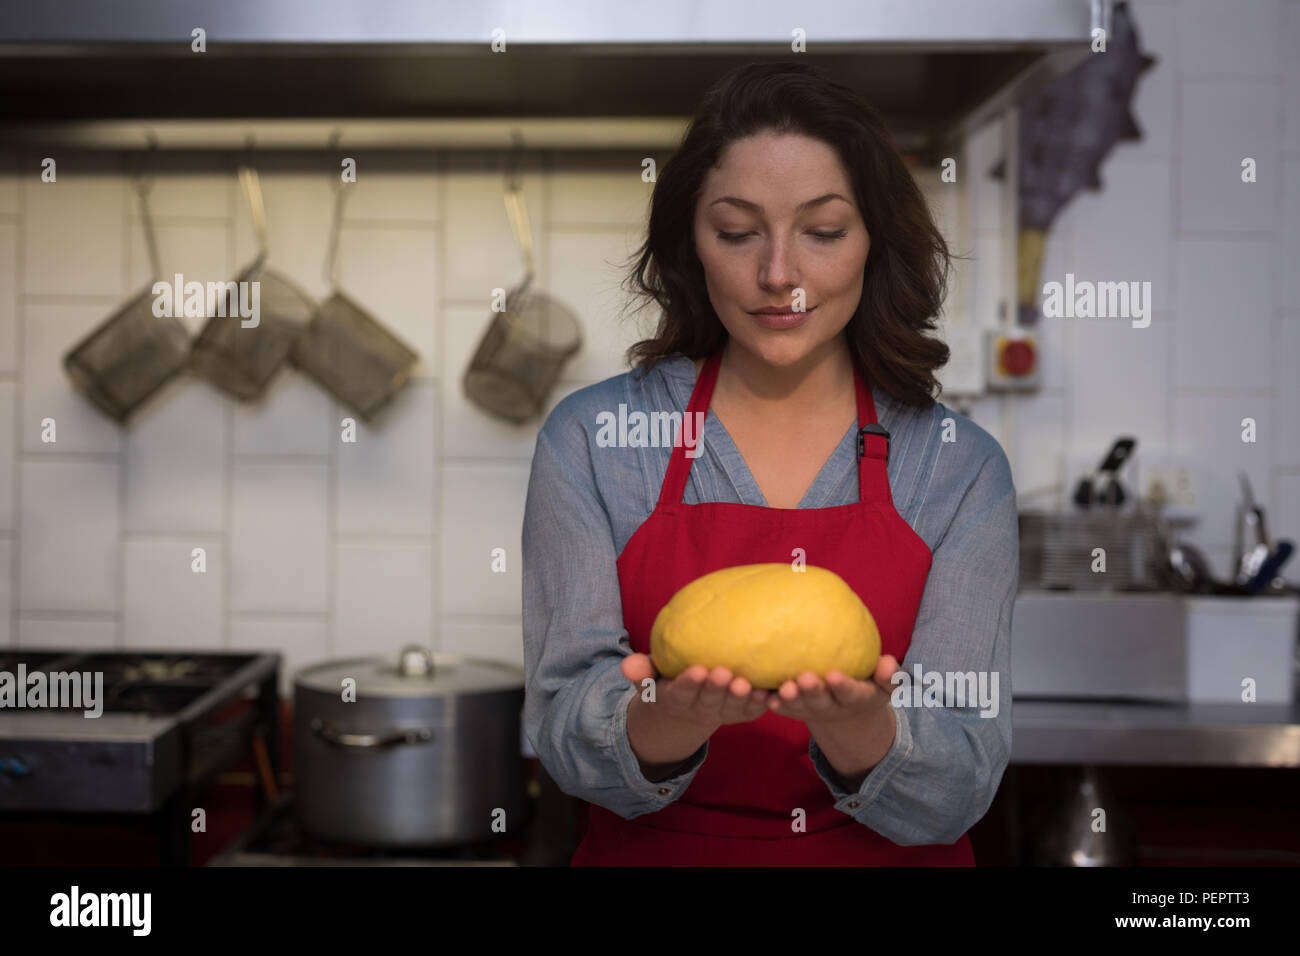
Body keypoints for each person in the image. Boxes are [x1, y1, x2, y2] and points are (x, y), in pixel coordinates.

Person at [522, 61, 1018, 866]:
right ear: (692, 242)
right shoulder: (596, 437)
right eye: (738, 231)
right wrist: (672, 718)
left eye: (822, 232)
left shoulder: (955, 468)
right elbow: (560, 729)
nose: (779, 274)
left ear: (873, 243)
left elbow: (961, 786)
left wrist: (859, 725)